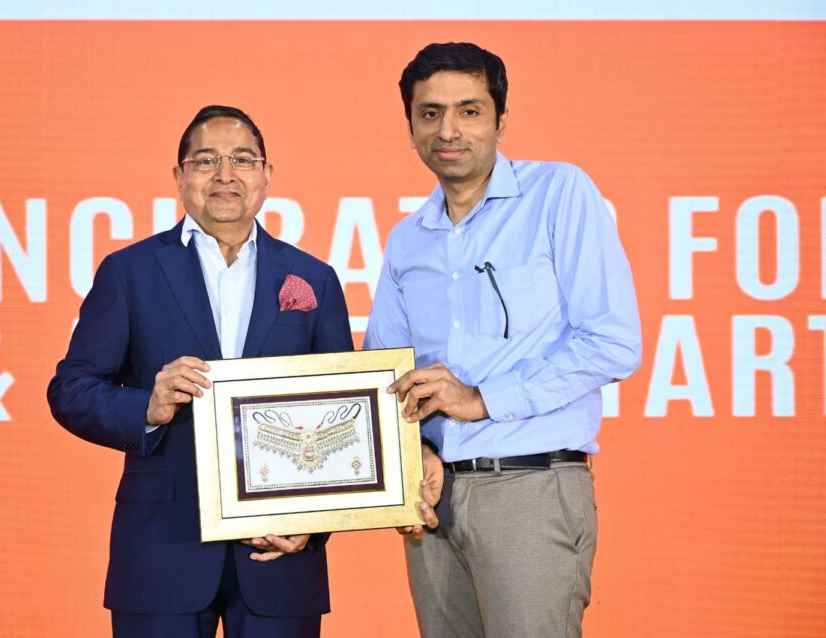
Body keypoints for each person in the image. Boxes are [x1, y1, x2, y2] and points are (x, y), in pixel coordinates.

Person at [364, 43, 642, 637]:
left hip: (530, 487)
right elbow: (384, 373)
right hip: (433, 500)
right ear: (410, 128)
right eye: (430, 113)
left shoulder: (557, 193)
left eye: (469, 110)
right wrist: (415, 455)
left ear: (500, 121)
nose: (448, 130)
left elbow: (612, 341)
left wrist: (481, 399)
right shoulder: (407, 240)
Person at [48, 105, 352, 638]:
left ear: (266, 175)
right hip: (162, 548)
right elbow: (71, 389)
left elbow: (342, 413)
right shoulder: (130, 272)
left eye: (243, 160)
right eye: (206, 160)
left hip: (279, 552)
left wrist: (315, 522)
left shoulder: (314, 278)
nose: (225, 175)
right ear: (180, 176)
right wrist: (146, 407)